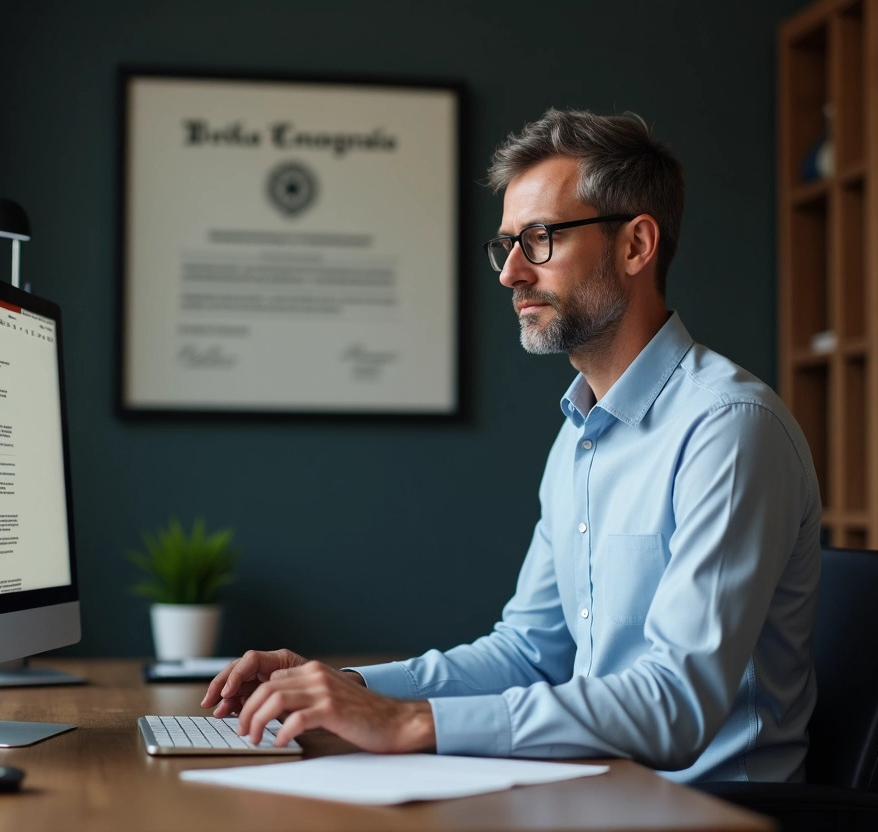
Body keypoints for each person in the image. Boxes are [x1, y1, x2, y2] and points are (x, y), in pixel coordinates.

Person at [202, 109, 821, 783]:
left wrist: (414, 723)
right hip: (598, 790)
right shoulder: (581, 431)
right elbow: (529, 654)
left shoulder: (728, 428)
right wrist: (348, 687)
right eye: (508, 244)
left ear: (636, 245)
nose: (511, 274)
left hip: (711, 812)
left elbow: (676, 706)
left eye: (541, 239)